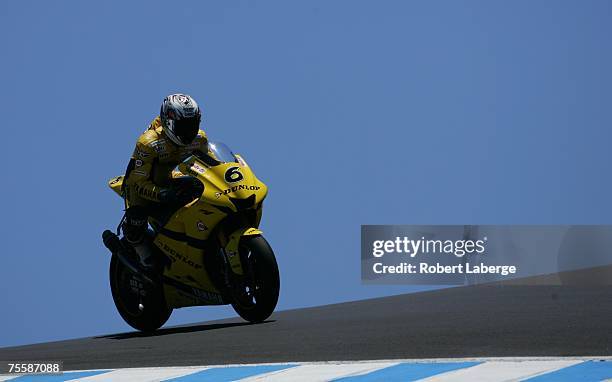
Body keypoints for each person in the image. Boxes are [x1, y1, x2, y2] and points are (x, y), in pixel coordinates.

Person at [122, 93, 208, 250]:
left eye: (193, 125)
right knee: (136, 220)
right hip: (140, 185)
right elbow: (138, 182)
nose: (189, 132)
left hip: (167, 178)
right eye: (184, 127)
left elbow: (210, 168)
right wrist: (161, 194)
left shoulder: (199, 140)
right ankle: (144, 257)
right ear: (168, 123)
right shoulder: (149, 142)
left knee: (198, 186)